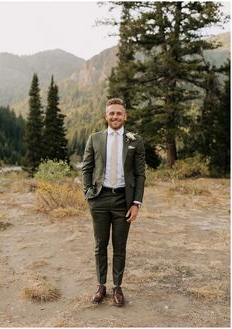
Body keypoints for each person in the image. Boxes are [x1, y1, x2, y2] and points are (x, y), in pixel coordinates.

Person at [82, 98, 145, 307]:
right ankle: (101, 285)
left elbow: (140, 174)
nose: (115, 117)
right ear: (105, 116)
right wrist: (88, 193)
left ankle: (117, 287)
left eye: (119, 113)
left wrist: (136, 203)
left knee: (120, 247)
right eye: (111, 113)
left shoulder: (135, 140)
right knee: (100, 245)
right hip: (99, 199)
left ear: (125, 116)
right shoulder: (95, 138)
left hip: (123, 201)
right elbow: (87, 168)